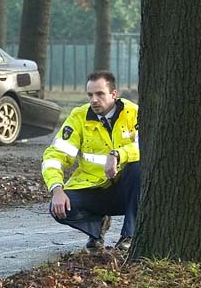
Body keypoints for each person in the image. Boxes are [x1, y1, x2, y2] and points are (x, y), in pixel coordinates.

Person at [42, 71, 140, 252]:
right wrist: (56, 188)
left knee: (139, 167)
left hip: (127, 190)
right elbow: (55, 155)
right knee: (59, 208)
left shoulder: (133, 113)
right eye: (90, 95)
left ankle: (129, 235)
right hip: (94, 189)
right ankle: (97, 227)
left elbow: (146, 147)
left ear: (113, 94)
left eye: (100, 94)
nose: (94, 100)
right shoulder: (79, 117)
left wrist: (118, 154)